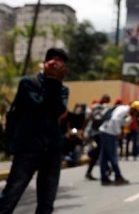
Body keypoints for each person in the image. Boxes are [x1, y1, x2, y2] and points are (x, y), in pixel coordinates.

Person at [0, 48, 69, 214]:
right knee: (10, 197)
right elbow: (37, 106)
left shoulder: (63, 89)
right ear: (45, 64)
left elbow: (58, 111)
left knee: (47, 202)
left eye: (60, 62)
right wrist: (52, 81)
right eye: (53, 61)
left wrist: (55, 82)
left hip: (52, 150)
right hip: (28, 148)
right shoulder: (28, 83)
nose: (56, 64)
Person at [98, 100, 139, 185]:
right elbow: (115, 119)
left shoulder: (123, 110)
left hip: (106, 132)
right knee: (113, 156)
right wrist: (118, 132)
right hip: (109, 134)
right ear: (134, 110)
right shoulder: (123, 110)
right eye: (137, 113)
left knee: (104, 157)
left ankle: (104, 178)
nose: (136, 115)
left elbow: (121, 122)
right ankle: (118, 176)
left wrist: (130, 119)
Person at [84, 94, 111, 180]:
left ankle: (103, 168)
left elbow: (88, 119)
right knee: (100, 151)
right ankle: (106, 168)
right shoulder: (106, 107)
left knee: (98, 151)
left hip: (94, 133)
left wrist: (83, 130)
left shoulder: (93, 107)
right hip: (101, 133)